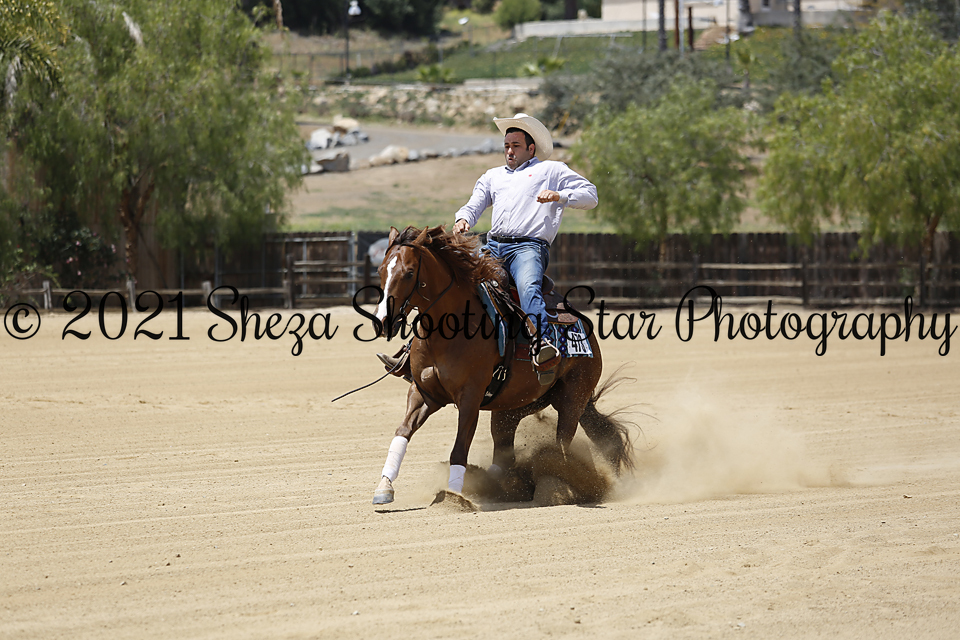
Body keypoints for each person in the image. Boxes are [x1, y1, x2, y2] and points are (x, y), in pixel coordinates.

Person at [452, 113, 598, 374]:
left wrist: (560, 195)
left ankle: (542, 343)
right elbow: (474, 204)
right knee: (456, 281)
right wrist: (463, 219)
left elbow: (591, 196)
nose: (509, 151)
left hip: (528, 248)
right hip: (493, 247)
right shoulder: (492, 176)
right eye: (507, 146)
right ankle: (426, 345)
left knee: (528, 288)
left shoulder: (551, 170)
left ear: (531, 149)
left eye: (516, 146)